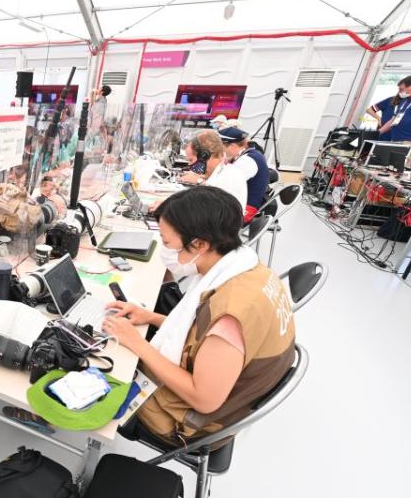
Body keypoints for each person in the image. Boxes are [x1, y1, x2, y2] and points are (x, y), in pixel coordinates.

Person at [103, 186, 295, 446]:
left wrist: (137, 344)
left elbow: (204, 399)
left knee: (99, 358)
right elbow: (202, 336)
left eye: (169, 243)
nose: (166, 251)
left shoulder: (230, 315)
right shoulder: (248, 268)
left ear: (200, 244)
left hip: (189, 424)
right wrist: (151, 317)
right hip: (224, 395)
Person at [179, 130, 246, 211]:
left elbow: (213, 200)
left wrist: (199, 180)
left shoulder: (230, 176)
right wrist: (202, 177)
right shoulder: (224, 171)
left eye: (191, 160)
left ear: (204, 156)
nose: (189, 165)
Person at [219, 126, 270, 222]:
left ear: (233, 146)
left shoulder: (248, 161)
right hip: (240, 203)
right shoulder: (249, 154)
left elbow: (224, 185)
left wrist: (199, 180)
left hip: (243, 211)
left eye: (221, 147)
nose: (221, 151)